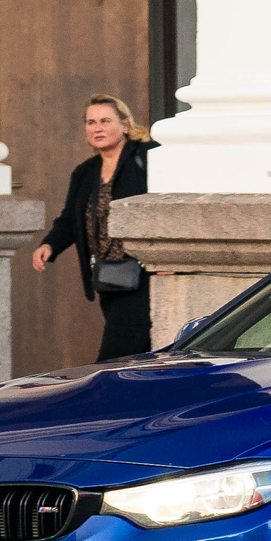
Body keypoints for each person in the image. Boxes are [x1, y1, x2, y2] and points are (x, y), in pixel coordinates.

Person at [34, 93, 157, 361]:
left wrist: (169, 253)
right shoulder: (85, 172)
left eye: (104, 121)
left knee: (114, 357)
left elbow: (167, 205)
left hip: (145, 275)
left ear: (125, 124)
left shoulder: (147, 157)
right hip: (109, 278)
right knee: (140, 356)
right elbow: (69, 218)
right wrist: (50, 245)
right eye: (91, 123)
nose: (97, 128)